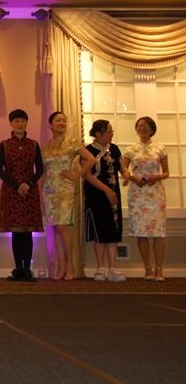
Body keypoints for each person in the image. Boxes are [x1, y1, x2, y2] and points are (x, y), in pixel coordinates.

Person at [41, 112, 96, 280]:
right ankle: (62, 265)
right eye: (58, 120)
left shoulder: (72, 143)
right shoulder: (46, 147)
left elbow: (91, 160)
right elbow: (43, 171)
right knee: (55, 228)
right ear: (50, 124)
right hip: (50, 189)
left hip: (65, 189)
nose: (61, 123)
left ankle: (71, 265)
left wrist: (75, 175)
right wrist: (38, 192)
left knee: (62, 227)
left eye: (64, 121)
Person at [0, 109, 44, 282]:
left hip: (29, 192)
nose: (20, 124)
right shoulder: (5, 144)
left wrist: (28, 184)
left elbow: (40, 169)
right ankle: (18, 270)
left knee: (28, 232)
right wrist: (17, 185)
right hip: (11, 192)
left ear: (26, 123)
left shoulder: (34, 144)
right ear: (11, 123)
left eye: (22, 121)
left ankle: (27, 270)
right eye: (16, 121)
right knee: (16, 233)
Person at [121, 117, 169, 282]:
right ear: (136, 129)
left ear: (152, 129)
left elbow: (166, 173)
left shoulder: (160, 149)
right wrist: (132, 178)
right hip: (137, 193)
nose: (142, 128)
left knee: (158, 232)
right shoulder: (130, 150)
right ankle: (147, 268)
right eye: (140, 126)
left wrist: (157, 177)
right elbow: (124, 169)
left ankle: (159, 269)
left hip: (156, 193)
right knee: (141, 231)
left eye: (146, 126)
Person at [81, 120, 125, 282]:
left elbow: (122, 166)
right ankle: (100, 267)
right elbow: (87, 175)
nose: (111, 135)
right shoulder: (87, 151)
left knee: (113, 229)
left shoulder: (114, 149)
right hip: (96, 194)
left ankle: (113, 268)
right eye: (109, 132)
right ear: (98, 134)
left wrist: (126, 173)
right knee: (99, 230)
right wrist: (106, 190)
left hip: (113, 194)